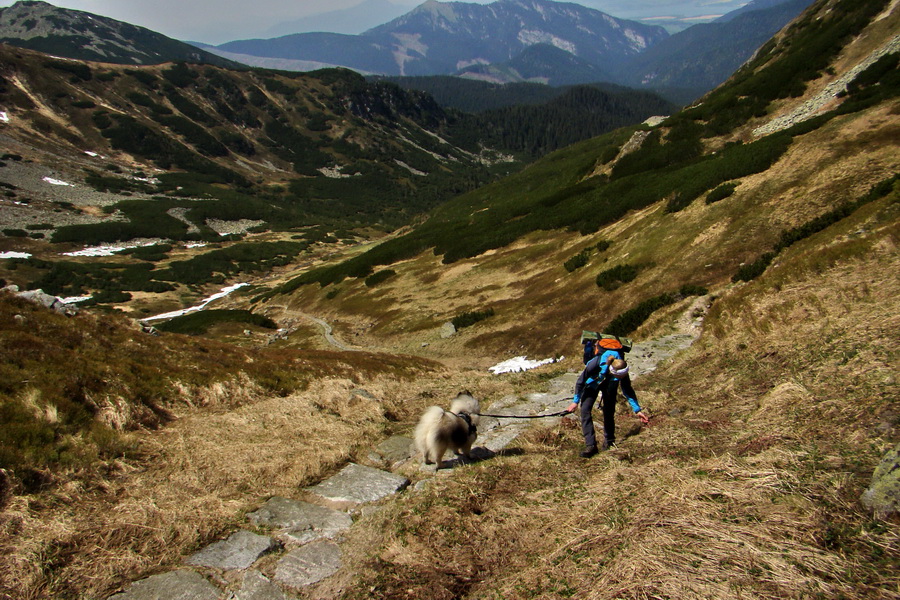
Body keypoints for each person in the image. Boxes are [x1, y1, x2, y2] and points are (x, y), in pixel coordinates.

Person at [564, 350, 649, 457]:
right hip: (592, 384)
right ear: (612, 372)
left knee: (609, 411)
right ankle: (591, 446)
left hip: (609, 386)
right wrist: (575, 402)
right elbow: (580, 382)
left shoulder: (621, 369)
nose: (621, 379)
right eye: (619, 378)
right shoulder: (595, 364)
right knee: (585, 410)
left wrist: (637, 410)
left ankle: (609, 441)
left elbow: (627, 390)